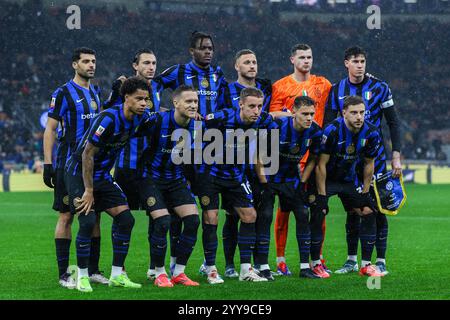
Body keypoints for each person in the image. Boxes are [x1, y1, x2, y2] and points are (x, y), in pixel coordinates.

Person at [64, 77, 149, 292]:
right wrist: (89, 190)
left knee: (126, 219)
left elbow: (160, 114)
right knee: (87, 221)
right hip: (78, 173)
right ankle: (82, 276)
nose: (143, 103)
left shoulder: (141, 118)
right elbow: (87, 154)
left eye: (146, 99)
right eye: (139, 99)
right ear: (126, 97)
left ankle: (117, 275)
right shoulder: (108, 119)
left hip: (102, 175)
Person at [324, 46, 402, 275]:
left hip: (374, 159)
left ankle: (380, 261)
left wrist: (396, 154)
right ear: (346, 63)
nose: (360, 65)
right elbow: (329, 123)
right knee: (353, 211)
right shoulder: (336, 89)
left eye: (363, 61)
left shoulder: (380, 87)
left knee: (376, 209)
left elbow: (393, 123)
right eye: (355, 61)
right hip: (347, 162)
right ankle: (351, 260)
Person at [153, 31, 227, 273]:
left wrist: (216, 118)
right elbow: (154, 84)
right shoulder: (178, 71)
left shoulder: (218, 74)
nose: (208, 51)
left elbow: (227, 105)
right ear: (191, 51)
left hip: (208, 150)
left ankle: (209, 264)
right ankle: (170, 263)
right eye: (203, 48)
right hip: (182, 148)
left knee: (208, 210)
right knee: (175, 211)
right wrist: (161, 109)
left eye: (211, 48)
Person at [197, 87, 286, 283]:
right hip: (210, 175)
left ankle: (246, 270)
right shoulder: (221, 117)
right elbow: (196, 131)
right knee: (211, 218)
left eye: (260, 106)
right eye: (252, 106)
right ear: (241, 105)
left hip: (235, 176)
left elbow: (277, 124)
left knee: (250, 215)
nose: (256, 111)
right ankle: (210, 268)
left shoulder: (263, 121)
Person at [43, 47, 107, 288]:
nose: (91, 65)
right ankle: (63, 274)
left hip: (91, 165)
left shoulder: (96, 92)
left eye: (93, 61)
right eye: (86, 61)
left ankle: (92, 270)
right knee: (67, 215)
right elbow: (50, 128)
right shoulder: (62, 93)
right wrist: (48, 163)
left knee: (94, 215)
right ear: (74, 65)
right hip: (68, 164)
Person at [269, 43, 332, 275]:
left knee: (317, 210)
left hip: (313, 158)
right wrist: (291, 114)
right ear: (292, 60)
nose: (307, 61)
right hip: (289, 159)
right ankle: (280, 258)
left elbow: (333, 110)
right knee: (283, 210)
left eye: (310, 57)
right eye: (302, 57)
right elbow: (271, 114)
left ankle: (318, 257)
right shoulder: (281, 86)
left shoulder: (323, 84)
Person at [102, 49, 162, 279]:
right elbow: (107, 113)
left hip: (148, 167)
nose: (151, 67)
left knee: (156, 216)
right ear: (135, 65)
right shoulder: (124, 89)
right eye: (146, 63)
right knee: (122, 218)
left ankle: (154, 268)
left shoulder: (155, 90)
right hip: (126, 165)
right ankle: (120, 267)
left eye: (154, 63)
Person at [212, 49, 272, 278]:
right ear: (236, 66)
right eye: (247, 62)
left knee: (258, 214)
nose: (252, 65)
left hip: (249, 168)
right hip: (224, 168)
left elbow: (264, 139)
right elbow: (214, 124)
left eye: (255, 61)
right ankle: (225, 264)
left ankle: (257, 265)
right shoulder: (227, 91)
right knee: (229, 215)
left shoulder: (264, 91)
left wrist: (265, 175)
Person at [136, 85, 201, 287]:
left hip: (176, 179)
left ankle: (179, 272)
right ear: (176, 103)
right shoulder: (157, 120)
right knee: (163, 221)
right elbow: (131, 132)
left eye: (195, 101)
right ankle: (159, 273)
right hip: (150, 178)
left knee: (192, 221)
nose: (193, 105)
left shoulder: (196, 127)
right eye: (188, 101)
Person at [314, 95, 385, 278]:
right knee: (318, 212)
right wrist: (322, 196)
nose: (359, 117)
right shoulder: (332, 130)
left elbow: (369, 163)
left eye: (362, 112)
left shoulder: (371, 132)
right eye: (354, 113)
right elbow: (321, 165)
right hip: (328, 180)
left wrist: (366, 189)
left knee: (368, 211)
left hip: (348, 180)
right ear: (344, 113)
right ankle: (315, 264)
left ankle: (366, 265)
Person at [257, 96, 322, 279]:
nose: (309, 118)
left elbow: (313, 159)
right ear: (293, 112)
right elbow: (259, 155)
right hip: (269, 177)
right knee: (266, 217)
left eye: (311, 114)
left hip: (292, 180)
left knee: (303, 214)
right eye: (305, 114)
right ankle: (263, 266)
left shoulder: (315, 131)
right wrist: (263, 182)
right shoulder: (276, 127)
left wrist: (303, 182)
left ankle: (304, 267)